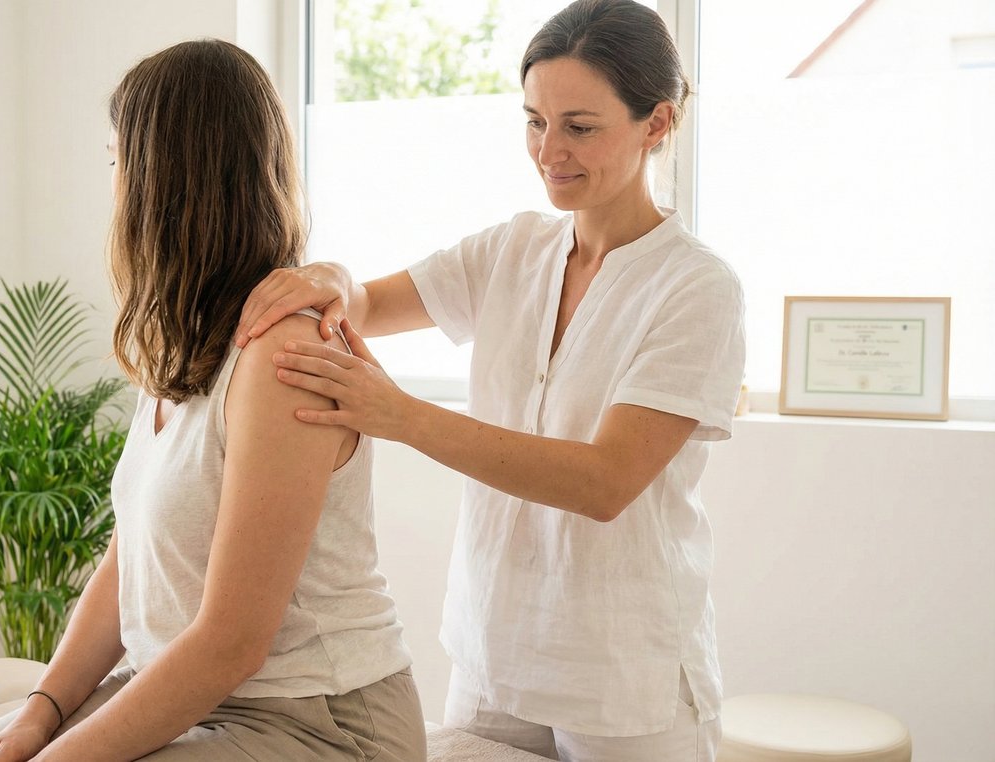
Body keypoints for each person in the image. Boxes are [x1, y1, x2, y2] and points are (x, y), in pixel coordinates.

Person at [235, 1, 745, 760]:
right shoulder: (513, 249)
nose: (549, 151)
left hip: (624, 676)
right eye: (534, 121)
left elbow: (604, 483)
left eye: (580, 127)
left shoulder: (696, 288)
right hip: (492, 655)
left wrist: (399, 415)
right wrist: (332, 277)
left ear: (657, 123)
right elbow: (367, 303)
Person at [0, 39, 425, 762]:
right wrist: (41, 711)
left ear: (161, 179)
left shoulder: (282, 355)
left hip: (316, 721)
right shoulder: (187, 341)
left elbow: (231, 644)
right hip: (184, 693)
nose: (111, 187)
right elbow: (130, 559)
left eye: (116, 162)